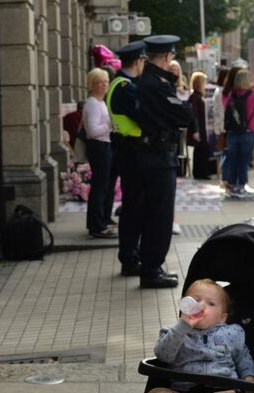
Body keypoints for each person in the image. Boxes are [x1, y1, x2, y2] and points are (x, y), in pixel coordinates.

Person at [146, 279, 254, 393]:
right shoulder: (174, 332)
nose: (201, 306)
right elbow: (164, 355)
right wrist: (183, 326)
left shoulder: (232, 333)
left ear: (223, 317)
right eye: (195, 300)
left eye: (211, 303)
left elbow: (243, 359)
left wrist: (249, 381)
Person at [134, 35, 195, 289]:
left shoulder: (146, 81)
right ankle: (151, 269)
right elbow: (185, 115)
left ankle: (151, 266)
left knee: (153, 213)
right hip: (158, 157)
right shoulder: (156, 84)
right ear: (168, 57)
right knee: (160, 215)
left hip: (152, 154)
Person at [107, 41, 148, 277]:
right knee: (134, 208)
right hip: (131, 152)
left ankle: (131, 254)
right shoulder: (126, 87)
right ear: (139, 61)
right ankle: (130, 257)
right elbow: (143, 116)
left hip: (127, 151)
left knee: (133, 206)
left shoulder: (120, 84)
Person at [83, 68, 116, 237]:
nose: (104, 85)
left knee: (103, 186)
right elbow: (93, 130)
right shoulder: (93, 104)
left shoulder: (101, 102)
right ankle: (97, 226)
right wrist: (109, 125)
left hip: (104, 145)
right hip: (98, 146)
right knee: (99, 187)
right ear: (92, 85)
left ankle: (100, 221)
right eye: (100, 82)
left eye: (106, 81)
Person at [223, 69, 254, 198]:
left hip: (232, 132)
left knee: (233, 159)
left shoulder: (231, 95)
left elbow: (226, 108)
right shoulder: (253, 95)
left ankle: (232, 186)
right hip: (247, 132)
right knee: (244, 160)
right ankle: (241, 187)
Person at [188, 71, 213, 180]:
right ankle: (201, 172)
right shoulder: (195, 97)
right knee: (201, 150)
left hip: (202, 127)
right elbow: (195, 115)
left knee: (200, 150)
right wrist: (196, 130)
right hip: (199, 128)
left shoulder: (197, 96)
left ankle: (199, 172)